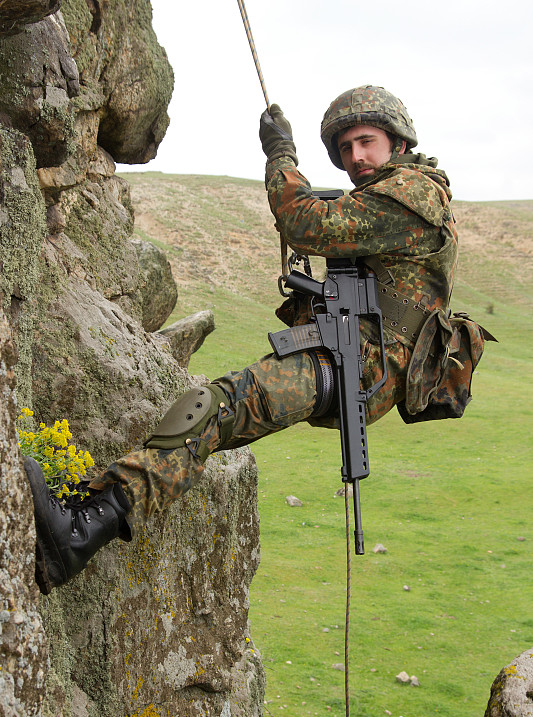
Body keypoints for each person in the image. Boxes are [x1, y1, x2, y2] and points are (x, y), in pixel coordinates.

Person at [25, 85, 458, 594]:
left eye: (366, 141)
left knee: (215, 407)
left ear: (397, 142)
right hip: (352, 355)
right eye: (345, 149)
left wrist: (281, 156)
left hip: (363, 367)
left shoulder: (414, 194)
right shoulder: (388, 192)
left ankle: (82, 530)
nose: (356, 157)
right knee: (217, 410)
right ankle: (88, 505)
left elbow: (305, 222)